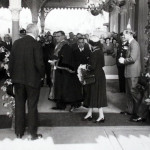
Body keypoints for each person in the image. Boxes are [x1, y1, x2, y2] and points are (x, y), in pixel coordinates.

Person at [9, 23, 45, 140]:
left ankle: (19, 133)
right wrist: (42, 76)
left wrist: (13, 78)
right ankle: (32, 134)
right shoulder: (36, 44)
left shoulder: (16, 43)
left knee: (19, 105)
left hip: (18, 81)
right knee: (32, 106)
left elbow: (11, 63)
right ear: (35, 32)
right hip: (32, 81)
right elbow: (39, 64)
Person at [49, 31, 82, 110]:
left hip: (63, 70)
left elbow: (65, 59)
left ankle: (62, 105)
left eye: (58, 36)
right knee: (59, 86)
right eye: (55, 36)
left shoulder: (65, 45)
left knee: (63, 87)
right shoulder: (58, 45)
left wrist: (56, 62)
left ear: (63, 36)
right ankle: (60, 105)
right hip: (58, 69)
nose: (57, 38)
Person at [83, 35, 107, 123]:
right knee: (93, 94)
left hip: (94, 76)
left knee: (94, 94)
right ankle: (90, 113)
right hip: (100, 75)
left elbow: (91, 67)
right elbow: (103, 64)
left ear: (91, 44)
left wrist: (85, 66)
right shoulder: (100, 51)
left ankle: (101, 116)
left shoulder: (94, 53)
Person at [119, 29, 141, 120]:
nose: (123, 36)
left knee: (134, 93)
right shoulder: (130, 44)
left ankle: (139, 113)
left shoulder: (134, 44)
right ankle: (130, 110)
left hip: (133, 73)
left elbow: (133, 59)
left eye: (124, 34)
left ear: (129, 34)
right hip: (129, 72)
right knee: (128, 93)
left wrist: (123, 60)